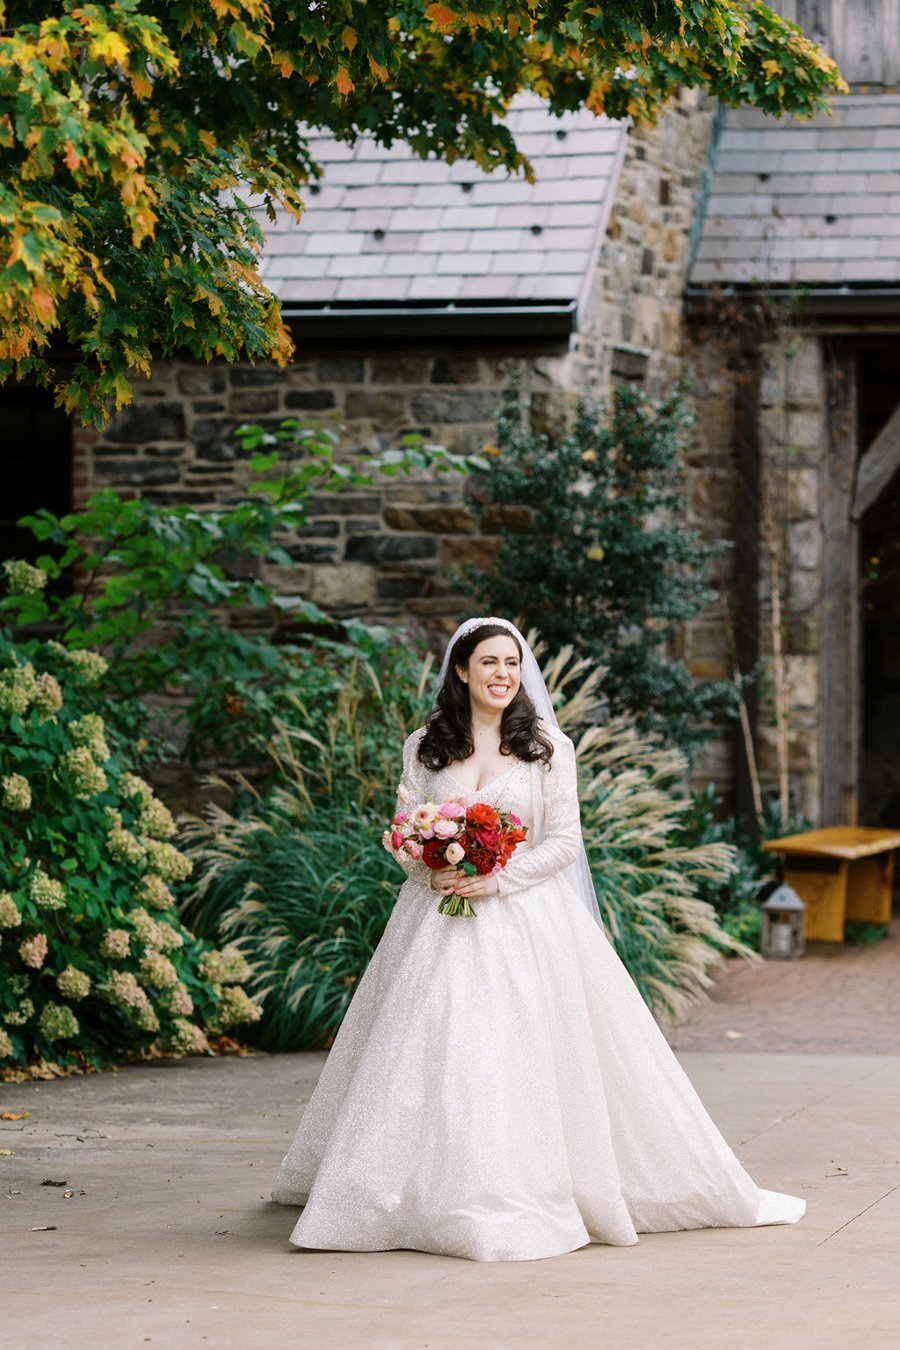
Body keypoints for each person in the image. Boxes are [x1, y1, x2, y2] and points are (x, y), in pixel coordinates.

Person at [271, 617, 805, 1261]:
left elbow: (564, 842)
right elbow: (406, 828)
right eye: (489, 662)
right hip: (433, 915)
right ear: (461, 671)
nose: (503, 674)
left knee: (513, 1045)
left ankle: (511, 1190)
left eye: (513, 663)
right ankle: (400, 1191)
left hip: (523, 916)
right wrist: (430, 864)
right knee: (426, 1042)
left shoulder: (547, 745)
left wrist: (497, 881)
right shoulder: (425, 745)